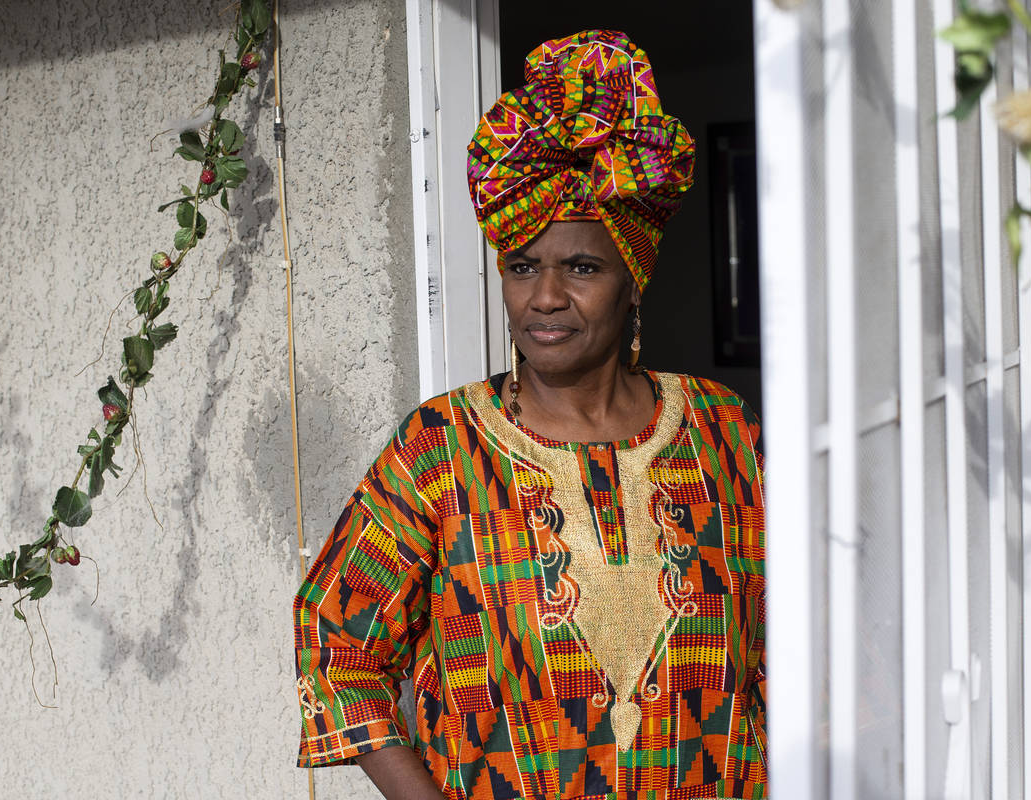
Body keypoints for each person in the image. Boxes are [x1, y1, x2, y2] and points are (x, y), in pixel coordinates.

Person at [294, 30, 767, 800]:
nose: (545, 298)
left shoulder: (722, 432)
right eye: (522, 268)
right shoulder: (439, 451)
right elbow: (335, 648)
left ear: (633, 282)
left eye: (582, 267)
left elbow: (796, 649)